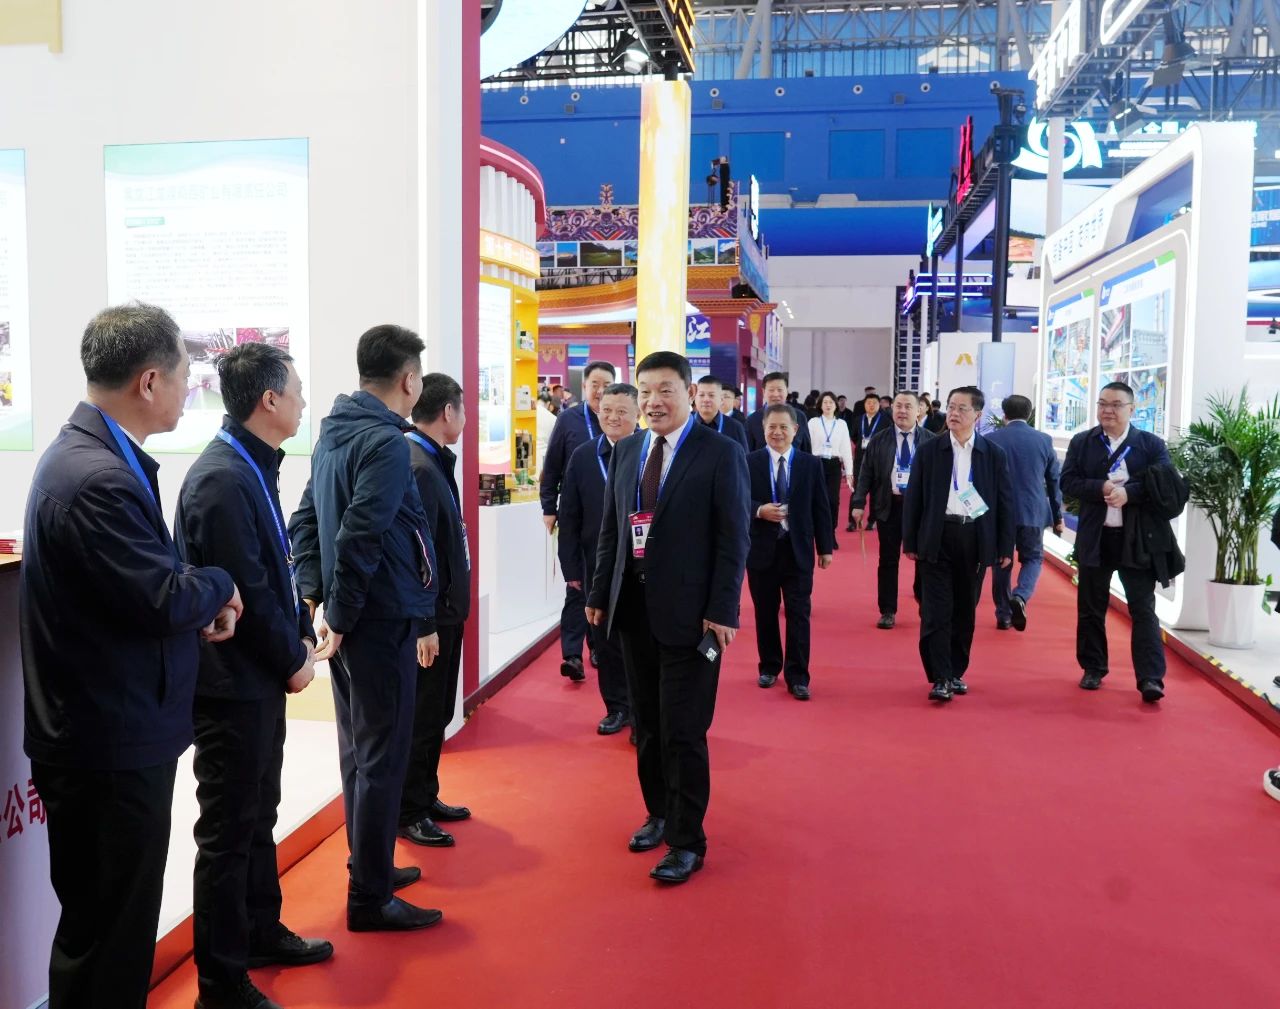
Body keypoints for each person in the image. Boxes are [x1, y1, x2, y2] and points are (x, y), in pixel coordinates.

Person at [21, 303, 241, 1009]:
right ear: (149, 381)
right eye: (185, 374)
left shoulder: (96, 458)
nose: (188, 388)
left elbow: (147, 587)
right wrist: (220, 584)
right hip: (108, 743)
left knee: (108, 930)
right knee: (109, 940)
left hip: (111, 730)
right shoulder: (96, 478)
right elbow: (162, 597)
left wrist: (193, 593)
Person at [175, 343, 331, 1009]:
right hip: (230, 688)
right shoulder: (222, 479)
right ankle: (220, 982)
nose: (302, 401)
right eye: (295, 390)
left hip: (254, 682)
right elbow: (249, 589)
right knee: (228, 831)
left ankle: (261, 931)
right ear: (269, 400)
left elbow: (275, 570)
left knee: (257, 814)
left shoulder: (251, 466)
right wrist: (292, 658)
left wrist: (300, 634)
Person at [288, 324, 442, 932]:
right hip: (377, 619)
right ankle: (370, 897)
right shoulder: (382, 443)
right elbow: (360, 535)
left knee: (360, 753)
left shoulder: (335, 433)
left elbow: (305, 521)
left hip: (355, 616)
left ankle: (369, 866)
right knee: (381, 757)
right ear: (409, 380)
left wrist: (318, 600)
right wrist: (342, 616)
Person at [586, 351, 749, 885]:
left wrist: (723, 609)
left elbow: (733, 539)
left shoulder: (720, 453)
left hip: (693, 618)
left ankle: (686, 840)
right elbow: (613, 530)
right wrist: (601, 591)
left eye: (665, 391)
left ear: (689, 393)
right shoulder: (629, 449)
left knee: (684, 730)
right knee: (649, 727)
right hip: (633, 613)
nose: (653, 402)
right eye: (645, 392)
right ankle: (658, 814)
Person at [1060, 381, 1175, 703]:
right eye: (1102, 404)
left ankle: (1150, 677)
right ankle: (1093, 667)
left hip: (1136, 540)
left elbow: (1164, 484)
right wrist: (1100, 488)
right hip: (1096, 537)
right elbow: (1068, 481)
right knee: (1090, 607)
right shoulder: (1083, 442)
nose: (1107, 410)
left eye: (1115, 405)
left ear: (1132, 409)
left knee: (1143, 609)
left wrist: (1130, 493)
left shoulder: (1150, 445)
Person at [398, 373, 473, 848]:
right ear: (448, 411)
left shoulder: (430, 459)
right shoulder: (420, 466)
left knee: (437, 711)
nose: (464, 419)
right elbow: (417, 553)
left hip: (444, 611)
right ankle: (410, 810)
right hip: (433, 618)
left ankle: (425, 797)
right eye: (463, 409)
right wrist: (426, 621)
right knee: (424, 716)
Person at [903, 386, 1013, 703]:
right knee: (936, 611)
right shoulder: (930, 450)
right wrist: (910, 540)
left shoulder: (992, 454)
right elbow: (915, 498)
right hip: (937, 536)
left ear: (977, 415)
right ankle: (939, 677)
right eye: (951, 407)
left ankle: (955, 672)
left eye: (962, 408)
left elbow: (1005, 502)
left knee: (965, 610)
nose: (953, 413)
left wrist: (1005, 546)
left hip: (974, 538)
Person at [558, 383, 640, 736]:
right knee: (605, 642)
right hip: (597, 566)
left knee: (639, 643)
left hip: (642, 566)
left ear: (637, 413)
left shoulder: (651, 453)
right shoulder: (583, 456)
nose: (613, 417)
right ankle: (617, 708)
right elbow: (569, 515)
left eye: (622, 411)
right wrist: (571, 568)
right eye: (606, 410)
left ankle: (642, 713)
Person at [747, 405, 834, 700]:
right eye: (771, 427)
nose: (777, 432)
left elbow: (821, 507)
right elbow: (737, 501)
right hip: (761, 551)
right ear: (763, 429)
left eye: (783, 427)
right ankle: (769, 666)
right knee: (765, 612)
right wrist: (759, 510)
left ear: (795, 430)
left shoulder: (810, 464)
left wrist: (825, 547)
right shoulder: (749, 462)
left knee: (799, 613)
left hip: (798, 550)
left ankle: (798, 676)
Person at [540, 360, 618, 682]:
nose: (600, 391)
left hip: (613, 523)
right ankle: (572, 654)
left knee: (603, 586)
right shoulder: (569, 421)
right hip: (579, 518)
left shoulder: (619, 420)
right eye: (594, 384)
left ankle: (597, 646)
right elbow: (552, 467)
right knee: (577, 586)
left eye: (606, 384)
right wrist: (548, 506)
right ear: (584, 387)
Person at [853, 391, 934, 629]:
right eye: (898, 406)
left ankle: (924, 601)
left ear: (919, 410)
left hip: (920, 509)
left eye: (908, 406)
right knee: (888, 559)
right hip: (888, 506)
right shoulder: (880, 439)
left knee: (923, 558)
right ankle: (887, 610)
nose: (902, 411)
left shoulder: (931, 440)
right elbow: (866, 473)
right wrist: (858, 503)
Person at [984, 394, 1064, 632]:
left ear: (1004, 414)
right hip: (1032, 510)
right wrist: (1058, 516)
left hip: (1000, 513)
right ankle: (1020, 596)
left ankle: (1004, 615)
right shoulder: (1043, 440)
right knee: (1033, 558)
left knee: (1001, 562)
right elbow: (1054, 480)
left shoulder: (991, 439)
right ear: (1029, 414)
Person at [807, 391, 854, 548]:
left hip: (834, 464)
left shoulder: (841, 424)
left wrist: (849, 472)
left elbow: (846, 449)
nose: (828, 405)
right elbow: (807, 446)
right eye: (825, 402)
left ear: (836, 405)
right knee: (816, 499)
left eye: (831, 402)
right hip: (816, 463)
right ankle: (815, 532)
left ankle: (830, 532)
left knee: (833, 500)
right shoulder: (813, 422)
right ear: (820, 405)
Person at [848, 392, 888, 531]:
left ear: (879, 405)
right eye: (868, 403)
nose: (871, 405)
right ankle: (852, 522)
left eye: (874, 403)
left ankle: (872, 520)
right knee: (857, 490)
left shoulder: (885, 420)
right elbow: (854, 436)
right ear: (864, 405)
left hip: (878, 460)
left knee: (876, 492)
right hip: (860, 459)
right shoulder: (858, 420)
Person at [746, 371, 813, 453]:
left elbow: (806, 450)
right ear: (763, 392)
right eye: (771, 390)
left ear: (787, 391)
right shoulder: (752, 420)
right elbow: (748, 453)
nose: (776, 394)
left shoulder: (799, 416)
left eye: (779, 390)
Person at [694, 374, 749, 452]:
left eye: (711, 395)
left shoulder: (735, 427)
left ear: (721, 400)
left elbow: (743, 457)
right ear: (695, 398)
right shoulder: (685, 423)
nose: (706, 399)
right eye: (701, 395)